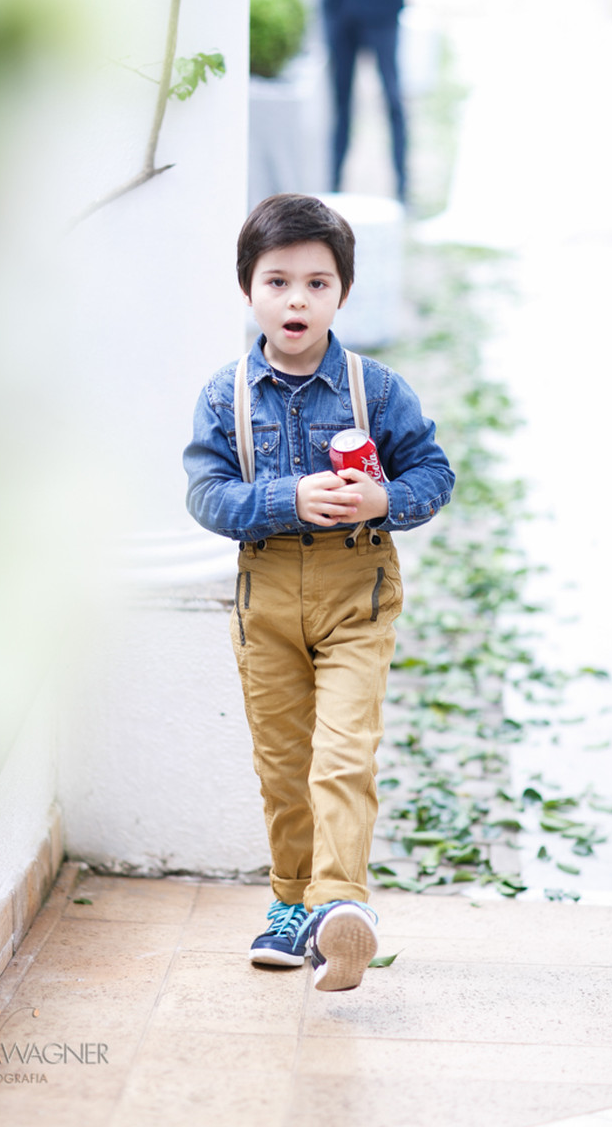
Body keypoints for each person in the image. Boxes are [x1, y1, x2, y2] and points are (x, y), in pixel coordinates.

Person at [183, 194, 453, 992]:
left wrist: (383, 500)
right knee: (282, 761)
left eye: (316, 283)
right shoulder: (226, 393)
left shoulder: (376, 389)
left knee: (342, 753)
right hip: (264, 596)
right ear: (249, 290)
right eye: (277, 282)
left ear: (342, 294)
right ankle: (290, 902)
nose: (296, 300)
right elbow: (205, 496)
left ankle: (344, 909)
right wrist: (285, 499)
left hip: (355, 590)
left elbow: (433, 474)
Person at [315, 0, 420, 202]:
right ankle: (333, 186)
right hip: (338, 1)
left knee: (392, 96)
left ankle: (401, 186)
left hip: (379, 2)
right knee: (340, 99)